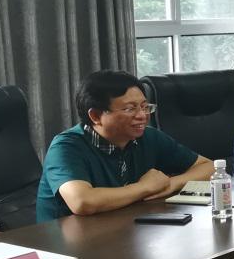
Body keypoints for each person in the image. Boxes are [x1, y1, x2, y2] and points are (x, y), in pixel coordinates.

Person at [36, 70, 212, 221]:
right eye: (130, 109)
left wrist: (170, 184)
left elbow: (209, 168)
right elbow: (82, 202)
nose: (142, 115)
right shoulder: (66, 147)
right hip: (67, 243)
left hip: (123, 230)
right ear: (95, 116)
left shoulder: (148, 137)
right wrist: (144, 187)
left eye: (145, 107)